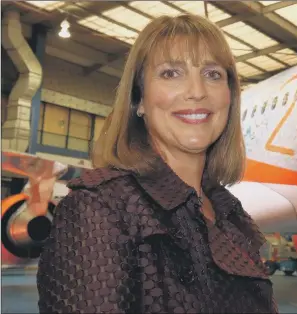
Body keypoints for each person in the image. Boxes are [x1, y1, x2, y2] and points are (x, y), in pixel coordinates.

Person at [36, 13, 278, 314]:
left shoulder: (231, 215)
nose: (197, 91)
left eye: (213, 74)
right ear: (138, 101)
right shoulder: (99, 208)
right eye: (171, 73)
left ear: (229, 98)